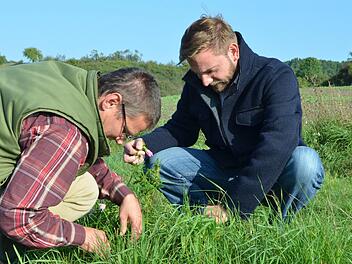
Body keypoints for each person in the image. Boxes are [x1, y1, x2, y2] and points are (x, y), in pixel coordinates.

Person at [124, 15, 324, 222]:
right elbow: (181, 128)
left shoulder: (276, 76)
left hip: (273, 174)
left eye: (211, 71)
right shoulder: (198, 83)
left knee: (306, 163)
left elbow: (278, 145)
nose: (204, 80)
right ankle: (204, 222)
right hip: (224, 167)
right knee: (160, 162)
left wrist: (234, 207)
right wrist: (145, 144)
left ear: (233, 52)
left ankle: (279, 228)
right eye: (197, 71)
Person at [0, 61, 161, 261]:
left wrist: (124, 194)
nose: (121, 141)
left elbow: (70, 154)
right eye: (125, 132)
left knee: (85, 187)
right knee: (26, 216)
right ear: (111, 101)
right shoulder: (65, 132)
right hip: (13, 216)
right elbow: (17, 218)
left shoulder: (69, 83)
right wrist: (83, 236)